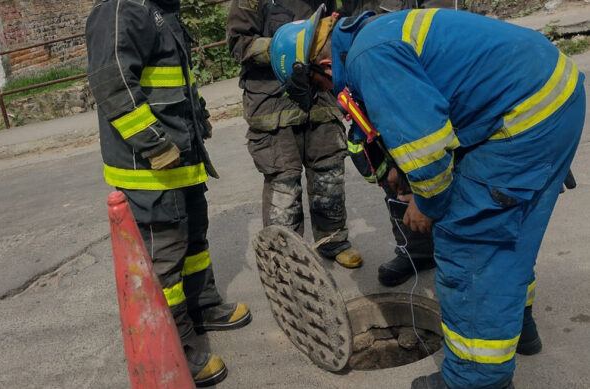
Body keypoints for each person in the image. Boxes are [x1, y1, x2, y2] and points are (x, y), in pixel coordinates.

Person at [269, 6, 585, 389]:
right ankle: (519, 330)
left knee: (469, 243)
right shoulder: (375, 33)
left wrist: (426, 203)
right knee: (511, 233)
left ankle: (476, 379)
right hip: (553, 97)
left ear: (322, 64)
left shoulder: (369, 57)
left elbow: (429, 151)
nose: (325, 93)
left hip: (522, 119)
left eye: (318, 86)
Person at [85, 0, 251, 386]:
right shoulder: (120, 9)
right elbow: (113, 84)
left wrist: (200, 116)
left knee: (195, 244)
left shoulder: (160, 9)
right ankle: (179, 346)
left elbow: (177, 79)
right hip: (152, 169)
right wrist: (156, 144)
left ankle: (204, 305)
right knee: (166, 264)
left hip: (183, 159)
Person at [226, 0, 363, 268]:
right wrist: (289, 48)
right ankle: (286, 256)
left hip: (319, 97)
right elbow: (237, 43)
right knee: (283, 184)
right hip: (273, 104)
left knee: (329, 174)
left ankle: (333, 240)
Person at [341, 0, 437, 287]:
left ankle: (456, 246)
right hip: (369, 75)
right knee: (393, 174)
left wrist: (425, 195)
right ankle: (416, 251)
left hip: (414, 69)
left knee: (436, 155)